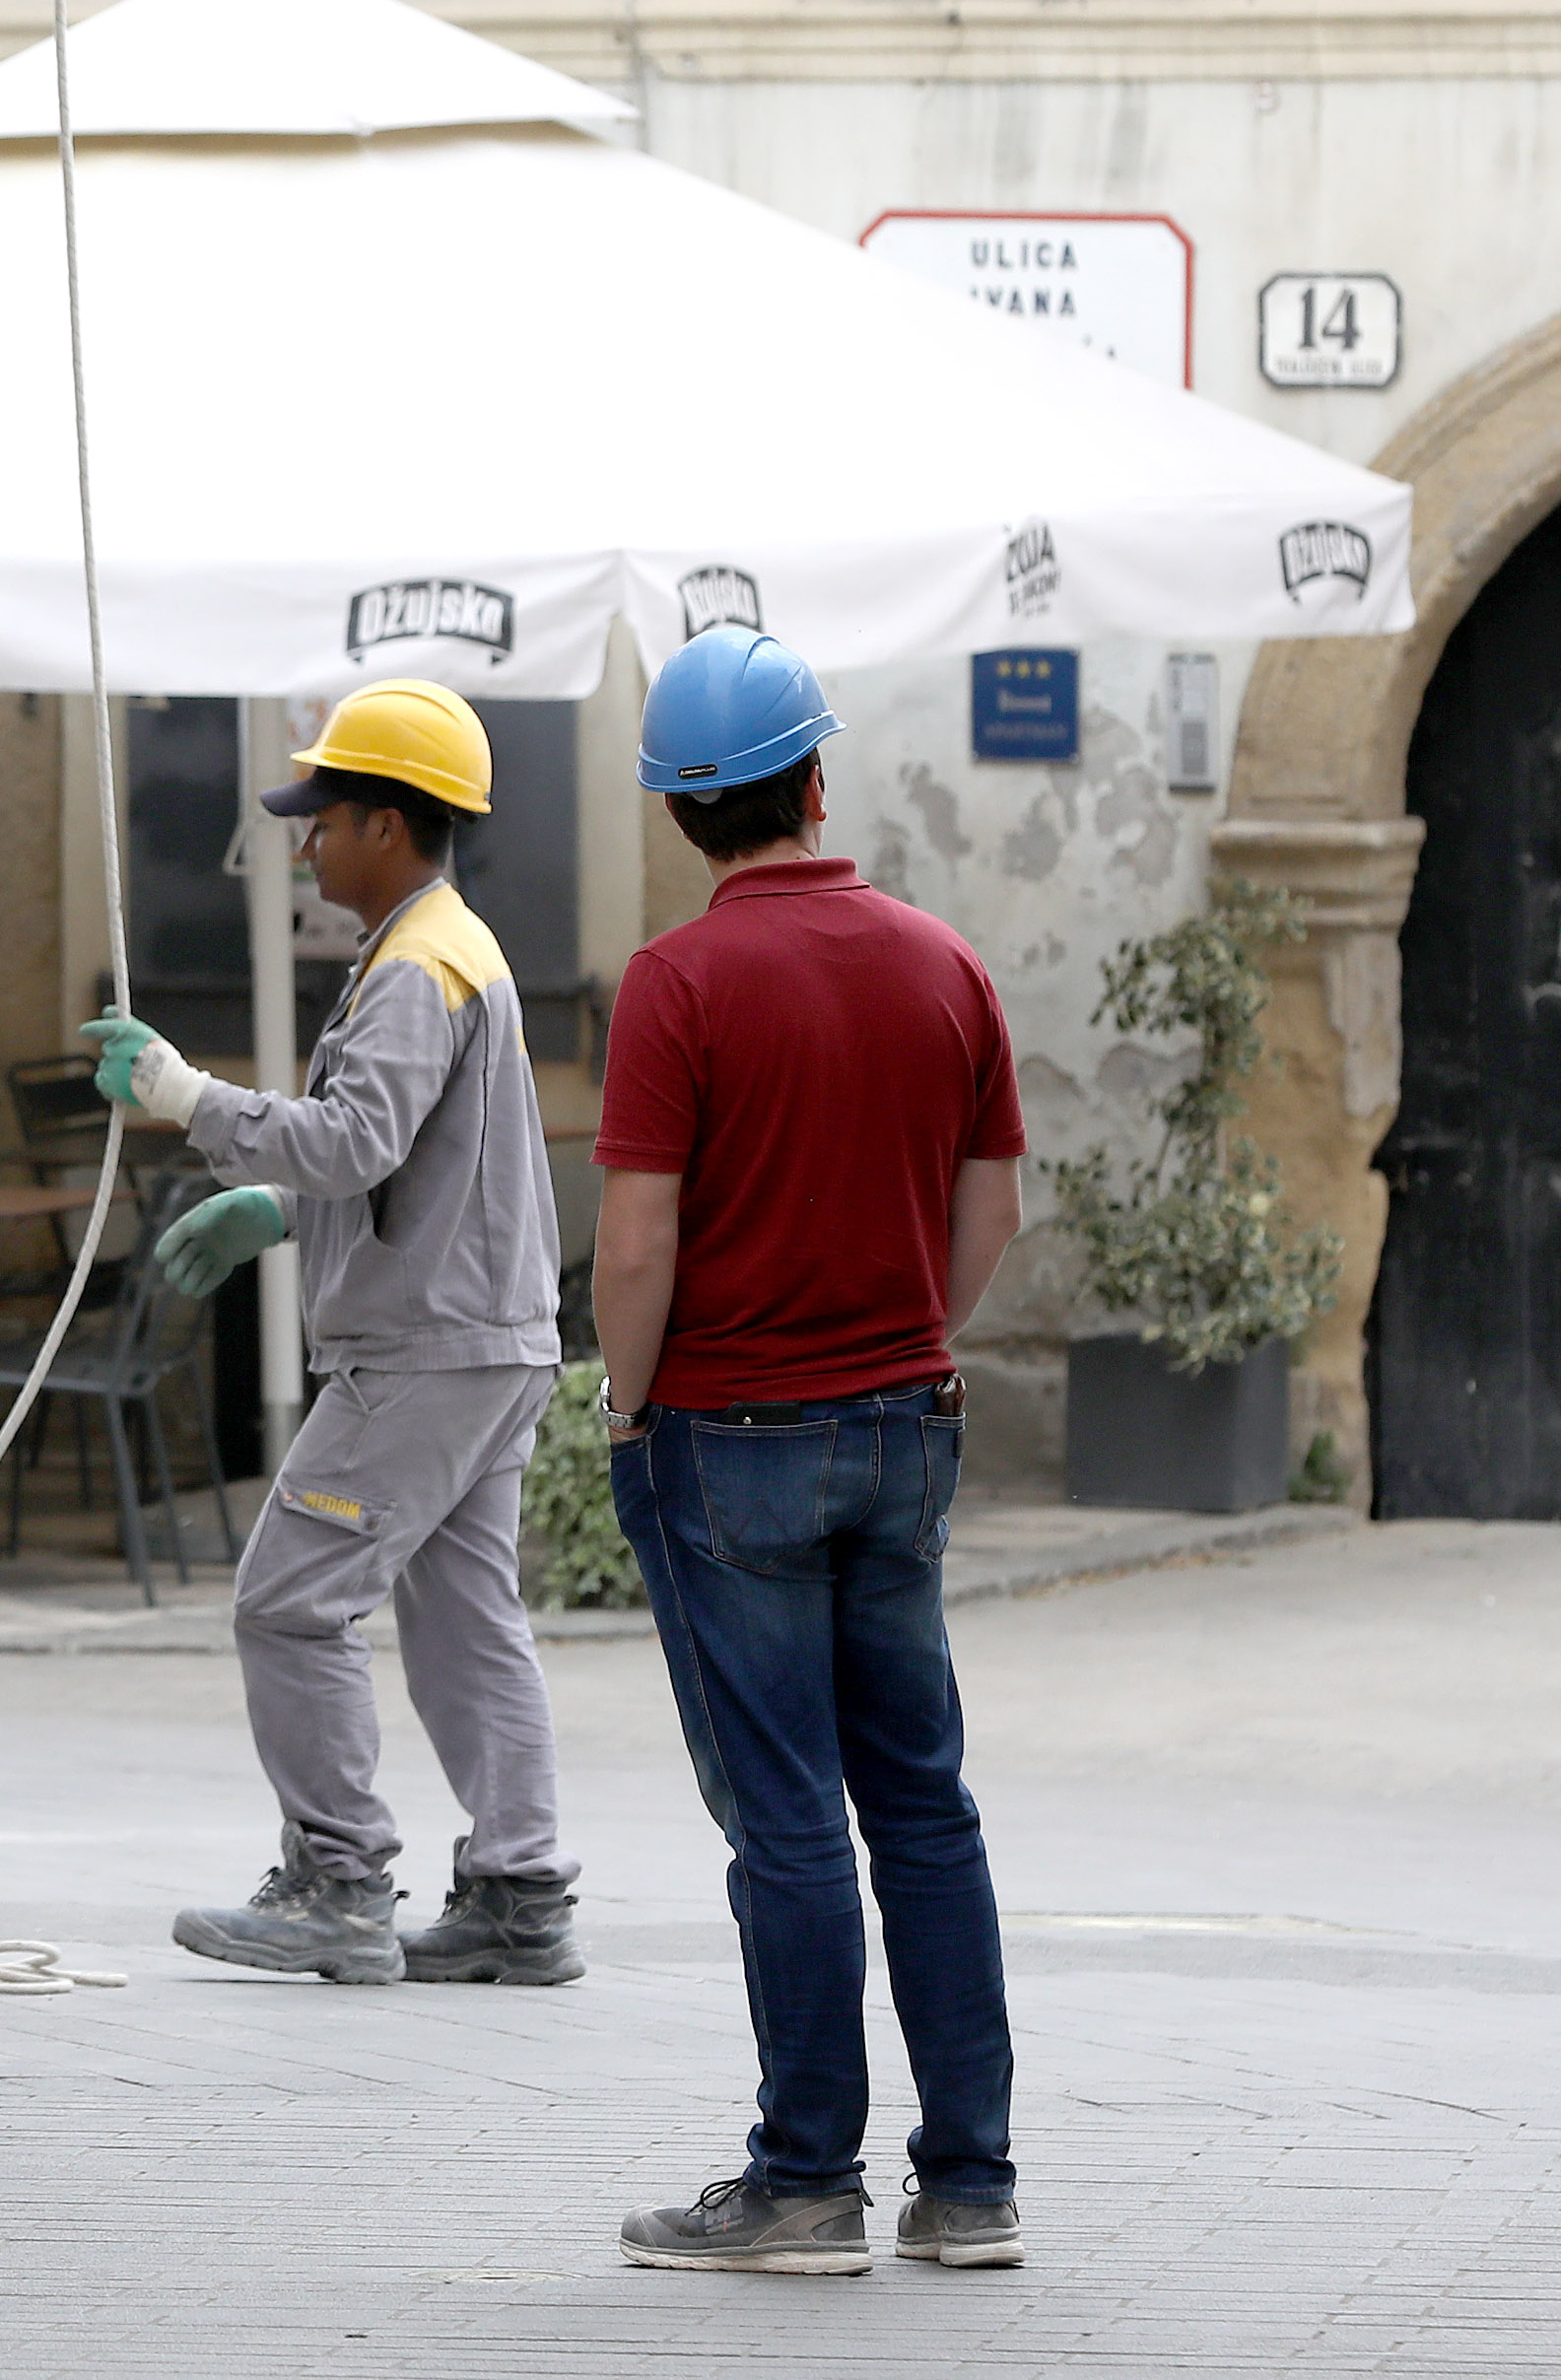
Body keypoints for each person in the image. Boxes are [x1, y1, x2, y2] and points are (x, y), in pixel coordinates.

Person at [591, 627, 1028, 2276]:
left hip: (729, 1431)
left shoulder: (679, 983)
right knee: (924, 1805)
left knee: (784, 1817)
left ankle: (804, 2187)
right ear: (819, 776)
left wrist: (630, 1400)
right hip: (905, 1418)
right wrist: (912, 1326)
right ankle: (971, 2182)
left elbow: (638, 1243)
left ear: (682, 817)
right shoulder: (943, 961)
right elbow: (990, 1207)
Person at [85, 677, 577, 1988]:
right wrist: (280, 1201)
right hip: (487, 1338)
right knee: (469, 1620)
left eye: (323, 818)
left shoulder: (419, 964)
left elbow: (362, 1140)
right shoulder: (447, 943)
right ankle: (521, 1892)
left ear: (386, 824)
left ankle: (339, 1875)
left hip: (424, 1349)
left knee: (289, 1601)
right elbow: (424, 1166)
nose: (306, 842)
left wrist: (189, 1096)